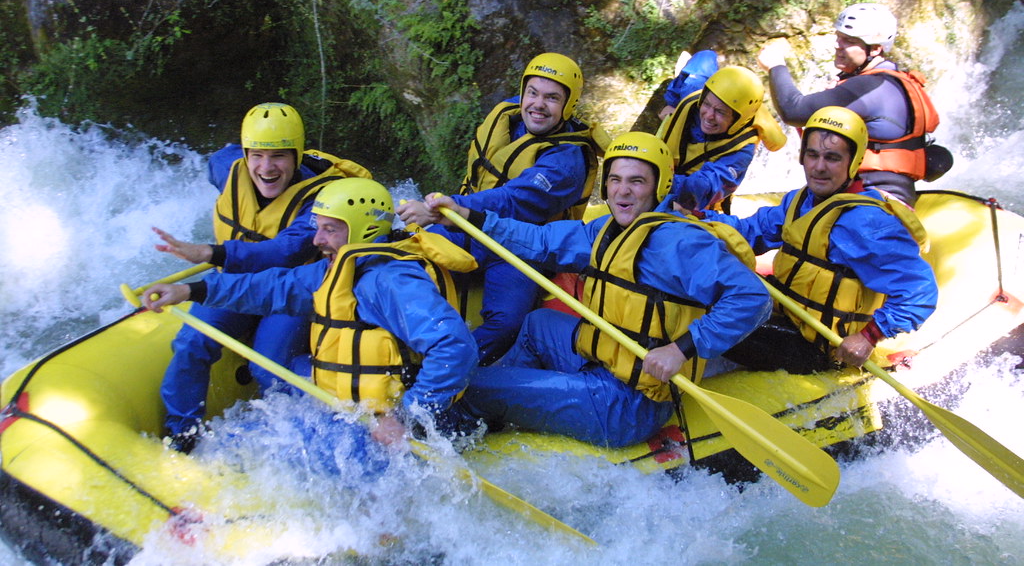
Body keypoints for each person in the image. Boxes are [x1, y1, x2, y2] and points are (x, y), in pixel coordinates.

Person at [425, 132, 771, 448]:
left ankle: (463, 421)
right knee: (537, 325)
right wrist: (466, 216)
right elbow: (540, 240)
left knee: (473, 386)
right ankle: (506, 405)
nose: (623, 191)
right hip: (601, 363)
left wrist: (681, 349)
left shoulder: (679, 244)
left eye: (637, 181)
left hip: (627, 404)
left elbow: (753, 298)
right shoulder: (605, 229)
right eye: (616, 180)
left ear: (659, 187)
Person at [144, 178, 479, 446]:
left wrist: (407, 419)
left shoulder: (391, 281)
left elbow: (455, 347)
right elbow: (269, 287)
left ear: (363, 230)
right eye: (318, 227)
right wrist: (190, 291)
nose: (317, 239)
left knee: (244, 450)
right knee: (243, 438)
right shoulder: (334, 270)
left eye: (330, 230)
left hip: (401, 426)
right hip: (361, 413)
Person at [154, 102, 372, 451]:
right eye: (257, 155)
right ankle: (183, 433)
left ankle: (348, 423)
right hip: (240, 284)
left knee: (269, 368)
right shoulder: (228, 167)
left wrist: (211, 253)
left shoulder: (320, 199)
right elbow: (219, 157)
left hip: (291, 291)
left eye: (279, 157)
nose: (266, 168)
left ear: (297, 156)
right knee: (192, 343)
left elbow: (286, 251)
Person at [397, 52, 607, 365]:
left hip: (522, 245)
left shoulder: (567, 161)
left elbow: (511, 201)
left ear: (568, 105)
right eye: (532, 93)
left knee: (507, 323)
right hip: (470, 222)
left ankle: (449, 367)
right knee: (402, 259)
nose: (537, 104)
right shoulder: (508, 115)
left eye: (552, 98)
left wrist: (449, 209)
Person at [695, 106, 939, 374]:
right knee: (697, 289)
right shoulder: (802, 200)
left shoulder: (868, 223)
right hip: (783, 314)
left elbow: (920, 292)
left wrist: (869, 336)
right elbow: (752, 231)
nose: (819, 167)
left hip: (816, 346)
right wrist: (697, 220)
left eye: (832, 158)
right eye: (812, 155)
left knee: (704, 313)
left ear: (854, 161)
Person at [757, 3, 946, 206]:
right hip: (879, 194)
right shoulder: (890, 81)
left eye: (849, 41)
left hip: (874, 200)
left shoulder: (871, 86)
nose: (838, 45)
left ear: (875, 49)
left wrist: (776, 66)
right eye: (838, 37)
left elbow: (792, 110)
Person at [657, 65, 787, 212]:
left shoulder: (742, 151)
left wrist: (655, 180)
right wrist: (672, 102)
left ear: (738, 119)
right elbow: (704, 58)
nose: (709, 115)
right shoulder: (693, 99)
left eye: (720, 112)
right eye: (706, 104)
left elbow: (707, 184)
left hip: (693, 204)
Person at [657, 49, 720, 121]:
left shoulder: (686, 76)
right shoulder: (700, 82)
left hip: (679, 110)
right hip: (689, 115)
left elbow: (673, 93)